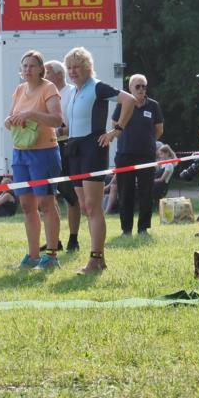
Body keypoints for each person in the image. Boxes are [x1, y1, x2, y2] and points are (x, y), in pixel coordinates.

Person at [62, 47, 137, 273]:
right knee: (84, 206)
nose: (73, 72)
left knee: (94, 207)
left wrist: (116, 130)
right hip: (74, 148)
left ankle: (95, 259)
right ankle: (99, 259)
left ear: (87, 68)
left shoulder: (97, 86)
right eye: (69, 68)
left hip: (93, 149)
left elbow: (130, 100)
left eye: (77, 67)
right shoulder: (75, 91)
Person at [5, 50, 64, 270]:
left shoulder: (48, 88)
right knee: (27, 205)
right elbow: (12, 116)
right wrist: (9, 121)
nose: (27, 70)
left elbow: (58, 120)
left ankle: (51, 254)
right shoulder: (19, 89)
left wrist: (31, 114)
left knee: (46, 203)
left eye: (32, 66)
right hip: (20, 151)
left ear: (41, 69)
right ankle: (32, 256)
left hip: (44, 152)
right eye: (24, 66)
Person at [113, 74, 165, 236]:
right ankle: (126, 229)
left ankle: (143, 228)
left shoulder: (153, 106)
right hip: (125, 155)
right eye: (138, 86)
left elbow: (159, 130)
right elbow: (115, 127)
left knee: (146, 192)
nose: (141, 89)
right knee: (125, 192)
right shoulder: (122, 104)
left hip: (146, 156)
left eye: (144, 86)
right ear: (130, 88)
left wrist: (147, 143)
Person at [45, 60, 80, 252]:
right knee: (48, 196)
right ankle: (54, 239)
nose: (44, 75)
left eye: (47, 72)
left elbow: (74, 123)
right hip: (47, 148)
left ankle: (73, 238)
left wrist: (57, 132)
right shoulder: (46, 94)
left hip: (67, 147)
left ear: (59, 74)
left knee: (70, 196)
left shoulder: (72, 93)